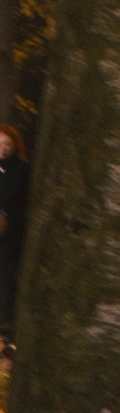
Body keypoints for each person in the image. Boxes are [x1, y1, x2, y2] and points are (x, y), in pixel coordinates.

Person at [0, 121, 25, 351]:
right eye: (0, 144)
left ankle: (7, 331)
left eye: (7, 144)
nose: (3, 148)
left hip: (10, 235)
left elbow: (11, 195)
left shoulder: (18, 168)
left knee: (7, 278)